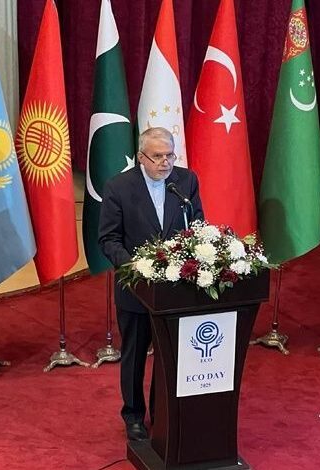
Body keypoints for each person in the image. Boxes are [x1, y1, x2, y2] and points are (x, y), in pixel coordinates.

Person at [98, 127, 204, 442]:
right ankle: (133, 415)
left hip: (176, 290)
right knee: (134, 356)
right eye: (157, 156)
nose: (165, 162)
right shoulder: (118, 187)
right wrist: (134, 266)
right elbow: (108, 239)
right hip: (136, 290)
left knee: (170, 355)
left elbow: (198, 224)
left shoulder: (186, 181)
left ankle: (163, 412)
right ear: (141, 157)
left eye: (169, 155)